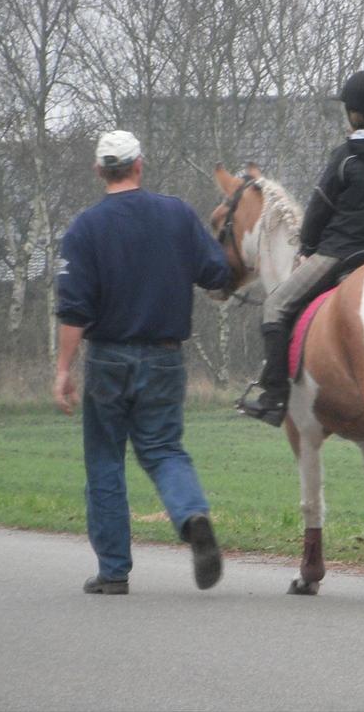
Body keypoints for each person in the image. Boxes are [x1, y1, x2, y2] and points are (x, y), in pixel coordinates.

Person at [54, 129, 232, 594]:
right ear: (139, 165)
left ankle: (113, 572)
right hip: (166, 358)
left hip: (108, 358)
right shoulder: (176, 214)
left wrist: (62, 371)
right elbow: (216, 272)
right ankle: (192, 516)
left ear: (99, 171)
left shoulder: (85, 229)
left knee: (105, 459)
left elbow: (73, 311)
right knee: (164, 449)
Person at [237, 69, 364, 426]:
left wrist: (308, 246)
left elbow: (320, 207)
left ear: (354, 114)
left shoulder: (347, 157)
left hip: (341, 253)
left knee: (277, 304)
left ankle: (275, 395)